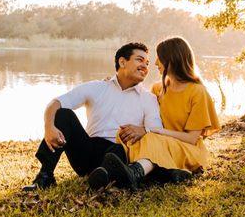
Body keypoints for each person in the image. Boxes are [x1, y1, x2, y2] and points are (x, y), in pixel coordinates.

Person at [23, 42, 163, 191]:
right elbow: (56, 103)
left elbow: (156, 130)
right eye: (140, 60)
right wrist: (48, 127)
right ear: (122, 62)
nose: (145, 66)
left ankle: (104, 178)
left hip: (120, 152)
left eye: (147, 63)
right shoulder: (97, 87)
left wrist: (143, 130)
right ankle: (45, 175)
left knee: (117, 151)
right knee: (63, 114)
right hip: (87, 151)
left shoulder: (148, 98)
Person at [91, 36, 221, 190]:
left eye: (159, 58)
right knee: (128, 136)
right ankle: (166, 173)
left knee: (151, 139)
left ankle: (134, 173)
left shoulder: (198, 92)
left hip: (187, 149)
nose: (155, 63)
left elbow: (192, 139)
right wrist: (113, 83)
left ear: (171, 60)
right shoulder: (158, 89)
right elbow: (137, 98)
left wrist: (155, 131)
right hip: (159, 144)